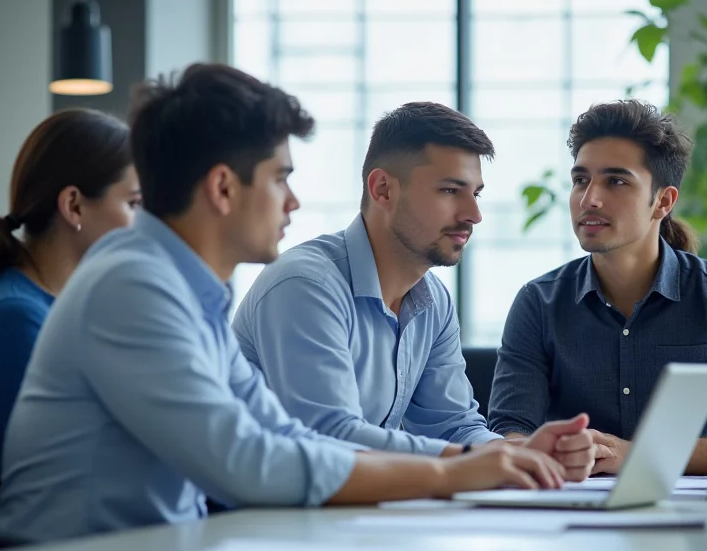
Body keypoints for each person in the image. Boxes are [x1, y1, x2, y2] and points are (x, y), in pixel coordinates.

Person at [0, 63, 577, 542]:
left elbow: (286, 436)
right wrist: (455, 472)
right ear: (223, 188)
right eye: (279, 179)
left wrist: (477, 462)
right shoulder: (132, 287)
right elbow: (246, 463)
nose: (293, 203)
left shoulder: (184, 289)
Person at [231, 102, 597, 481]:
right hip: (253, 518)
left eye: (476, 194)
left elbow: (454, 425)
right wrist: (475, 459)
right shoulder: (307, 287)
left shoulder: (433, 301)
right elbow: (330, 438)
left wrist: (521, 452)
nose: (474, 214)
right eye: (450, 190)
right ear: (383, 189)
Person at [488, 99, 707, 475]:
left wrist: (639, 457)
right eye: (580, 180)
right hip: (576, 514)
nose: (589, 198)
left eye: (616, 181)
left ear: (662, 201)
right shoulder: (538, 302)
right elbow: (508, 433)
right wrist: (539, 452)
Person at [0, 108, 141, 471]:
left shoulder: (61, 309)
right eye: (133, 204)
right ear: (74, 206)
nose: (142, 223)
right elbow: (54, 468)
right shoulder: (12, 317)